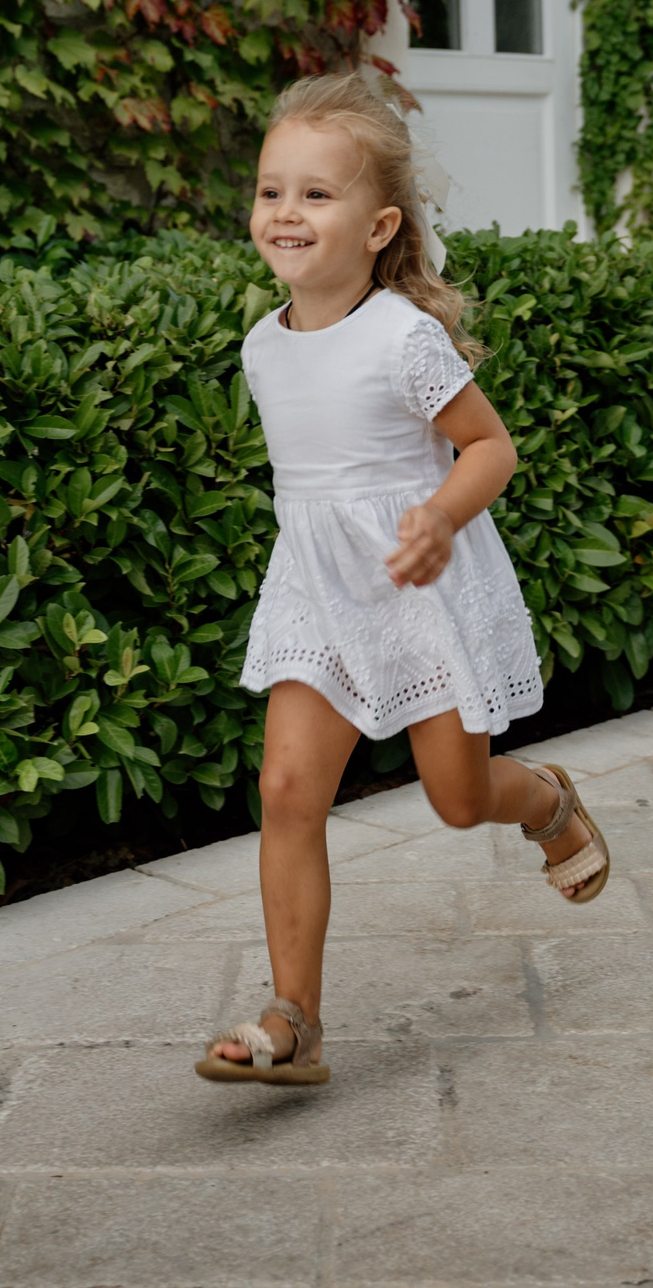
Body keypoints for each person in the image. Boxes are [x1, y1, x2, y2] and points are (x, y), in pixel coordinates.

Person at [196, 72, 612, 1087]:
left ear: (378, 225)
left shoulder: (402, 338)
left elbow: (489, 449)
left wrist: (437, 519)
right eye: (269, 190)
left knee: (457, 800)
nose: (285, 212)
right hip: (320, 591)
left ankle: (548, 805)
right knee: (287, 788)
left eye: (315, 194)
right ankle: (293, 1019)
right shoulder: (262, 348)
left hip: (418, 586)